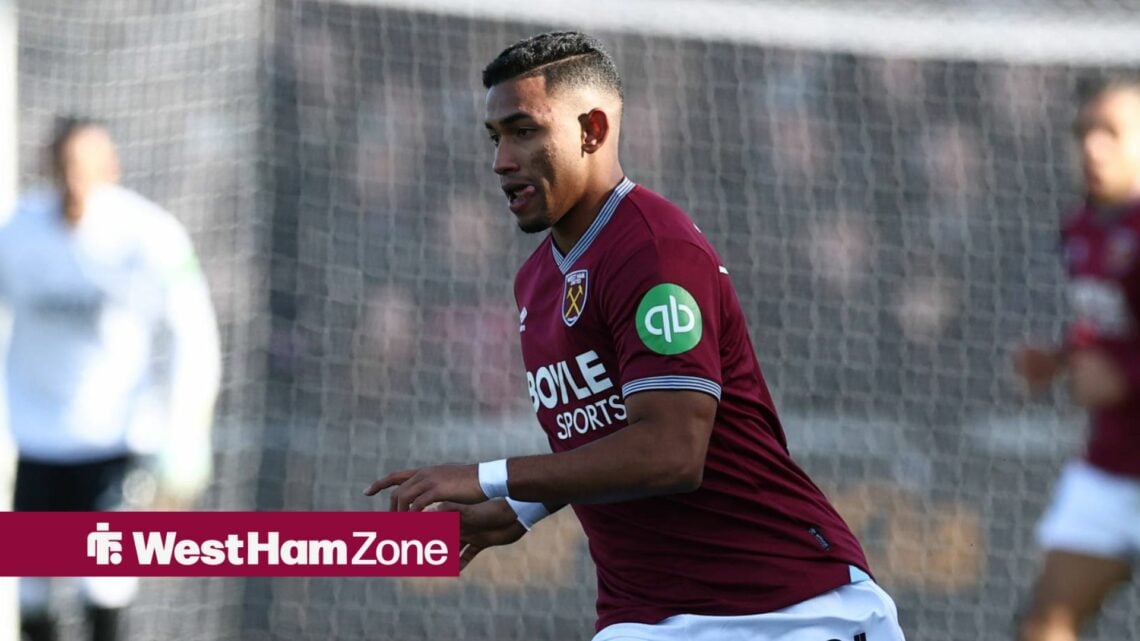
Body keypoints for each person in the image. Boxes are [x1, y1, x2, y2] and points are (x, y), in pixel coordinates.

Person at [365, 32, 905, 641]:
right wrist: (514, 510)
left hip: (786, 609)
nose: (501, 161)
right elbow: (599, 440)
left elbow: (672, 453)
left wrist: (492, 477)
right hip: (644, 618)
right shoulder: (535, 282)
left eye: (524, 131)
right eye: (496, 139)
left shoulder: (653, 248)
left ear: (592, 129)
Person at [0, 116, 222, 641]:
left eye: (86, 167)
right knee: (31, 597)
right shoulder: (18, 234)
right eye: (65, 167)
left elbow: (194, 334)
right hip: (38, 444)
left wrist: (186, 441)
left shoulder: (148, 235)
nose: (75, 180)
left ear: (112, 168)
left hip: (117, 444)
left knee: (102, 586)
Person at [1014, 79, 1140, 641]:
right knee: (1046, 622)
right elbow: (1110, 328)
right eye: (1084, 132)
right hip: (1110, 464)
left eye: (1111, 133)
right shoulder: (1081, 229)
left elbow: (1121, 366)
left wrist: (1126, 379)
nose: (1092, 147)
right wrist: (1061, 359)